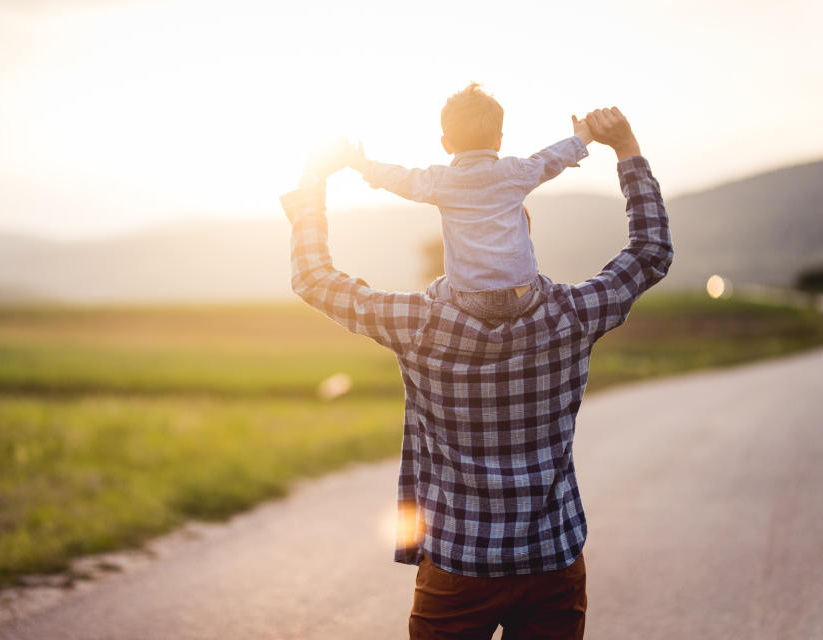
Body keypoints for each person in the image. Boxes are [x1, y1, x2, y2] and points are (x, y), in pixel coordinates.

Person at [280, 107, 673, 639]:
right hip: (552, 562)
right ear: (525, 240)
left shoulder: (418, 324)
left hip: (457, 571)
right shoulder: (573, 316)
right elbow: (650, 252)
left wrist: (313, 182)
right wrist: (626, 148)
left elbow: (314, 279)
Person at [343, 83, 593, 321]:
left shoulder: (440, 181)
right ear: (498, 140)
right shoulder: (516, 171)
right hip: (522, 295)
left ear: (446, 143)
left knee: (435, 288)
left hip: (470, 299)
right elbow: (549, 159)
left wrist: (364, 167)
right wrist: (580, 138)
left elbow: (402, 179)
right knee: (544, 282)